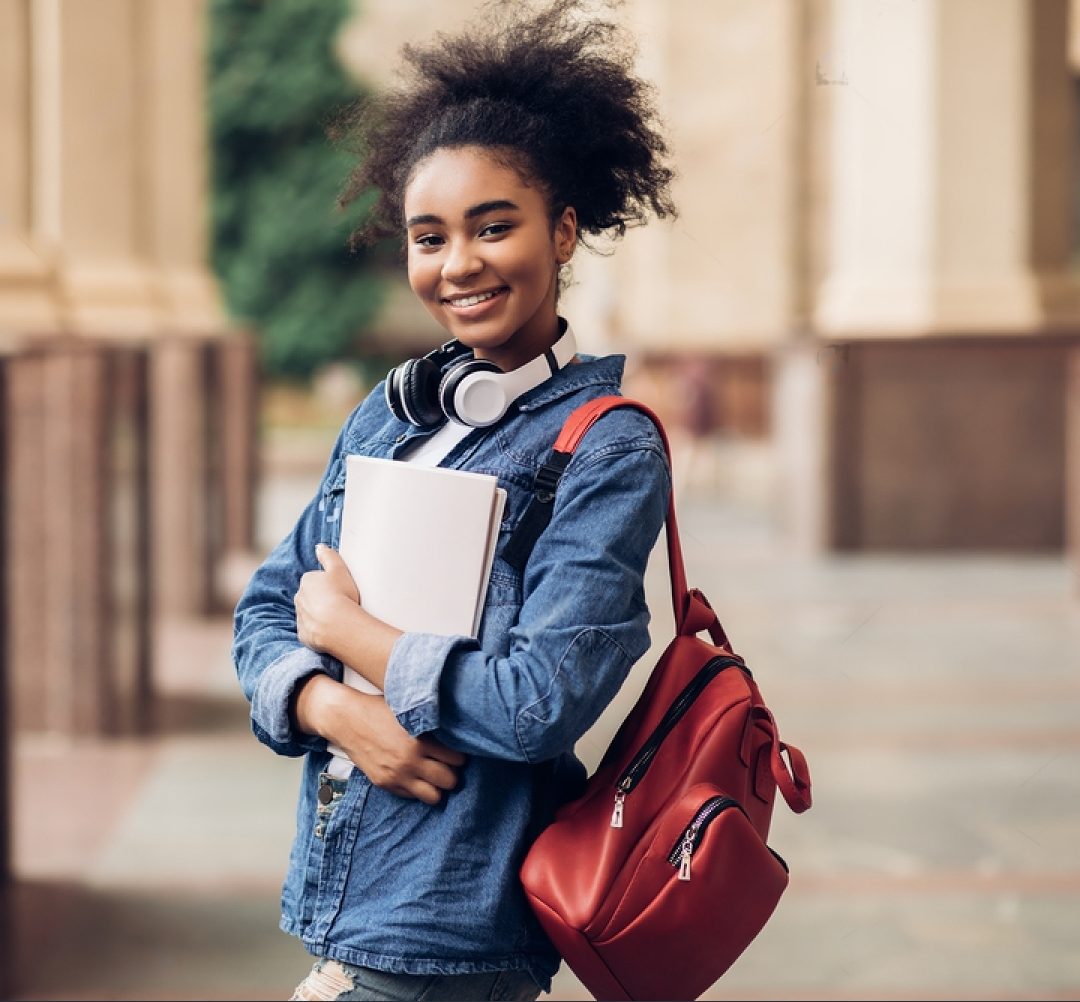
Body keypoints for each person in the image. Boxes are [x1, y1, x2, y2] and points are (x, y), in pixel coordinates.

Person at [232, 1, 677, 998]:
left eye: (494, 226)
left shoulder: (606, 447)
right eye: (429, 237)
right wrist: (328, 708)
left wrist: (353, 637)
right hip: (339, 900)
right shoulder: (388, 419)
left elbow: (537, 706)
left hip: (458, 930)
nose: (459, 262)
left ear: (563, 231)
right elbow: (265, 612)